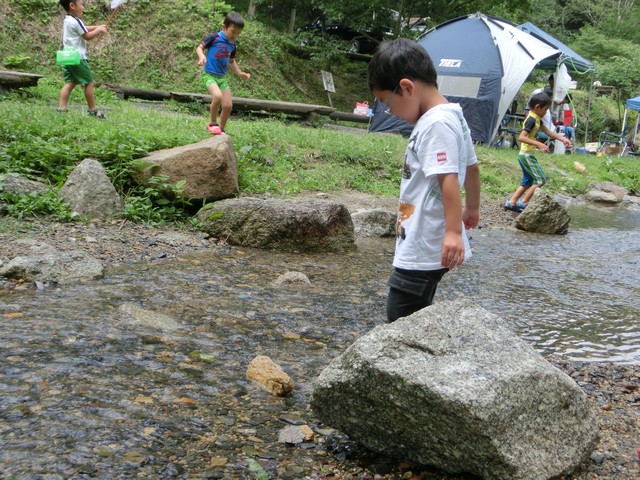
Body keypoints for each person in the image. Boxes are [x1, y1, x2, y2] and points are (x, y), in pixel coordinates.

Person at [367, 38, 481, 323]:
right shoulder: (453, 116)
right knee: (418, 309)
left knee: (400, 313)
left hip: (424, 240)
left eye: (386, 103)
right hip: (426, 235)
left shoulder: (435, 123)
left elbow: (448, 179)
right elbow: (472, 167)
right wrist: (473, 209)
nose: (389, 112)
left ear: (406, 88)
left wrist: (454, 232)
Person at [504, 92, 572, 212]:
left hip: (525, 155)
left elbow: (548, 132)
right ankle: (523, 203)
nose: (546, 112)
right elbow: (522, 137)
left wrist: (562, 139)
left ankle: (511, 202)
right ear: (537, 107)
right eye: (545, 109)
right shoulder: (531, 119)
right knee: (540, 179)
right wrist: (538, 143)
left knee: (527, 182)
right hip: (527, 155)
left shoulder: (537, 119)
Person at [196, 11, 251, 135]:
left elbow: (231, 61)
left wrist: (239, 72)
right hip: (209, 74)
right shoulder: (214, 37)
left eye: (238, 33)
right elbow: (199, 48)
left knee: (228, 106)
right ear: (224, 27)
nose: (235, 35)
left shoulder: (232, 45)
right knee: (217, 96)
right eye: (233, 31)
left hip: (222, 78)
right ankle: (212, 123)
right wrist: (201, 57)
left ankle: (220, 129)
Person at [57, 0, 109, 118]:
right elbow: (87, 36)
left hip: (67, 57)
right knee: (88, 83)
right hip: (78, 58)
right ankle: (92, 110)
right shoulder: (76, 21)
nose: (83, 7)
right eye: (81, 4)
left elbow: (83, 28)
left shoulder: (68, 20)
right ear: (72, 5)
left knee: (70, 82)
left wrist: (97, 26)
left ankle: (62, 108)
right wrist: (99, 30)